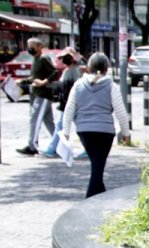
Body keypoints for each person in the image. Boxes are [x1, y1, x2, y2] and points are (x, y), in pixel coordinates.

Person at [62, 53, 131, 198]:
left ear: (88, 67)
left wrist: (66, 131)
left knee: (96, 165)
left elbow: (69, 109)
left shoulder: (78, 85)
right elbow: (121, 111)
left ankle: (102, 196)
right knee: (97, 167)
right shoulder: (111, 86)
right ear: (107, 68)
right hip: (105, 132)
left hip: (84, 131)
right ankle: (90, 199)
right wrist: (126, 133)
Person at [17, 38, 59, 155]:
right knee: (48, 122)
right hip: (38, 94)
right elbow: (34, 77)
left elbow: (54, 72)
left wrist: (44, 82)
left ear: (40, 47)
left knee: (34, 119)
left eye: (33, 46)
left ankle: (32, 146)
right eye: (28, 45)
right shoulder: (35, 60)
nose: (30, 48)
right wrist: (22, 81)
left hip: (43, 95)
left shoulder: (44, 58)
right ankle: (59, 144)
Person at [40, 47, 84, 159]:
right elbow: (61, 86)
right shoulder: (66, 71)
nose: (65, 59)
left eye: (68, 57)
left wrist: (77, 57)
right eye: (64, 57)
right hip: (66, 103)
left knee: (73, 126)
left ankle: (52, 149)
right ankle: (52, 148)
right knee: (62, 125)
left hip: (73, 103)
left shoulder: (77, 70)